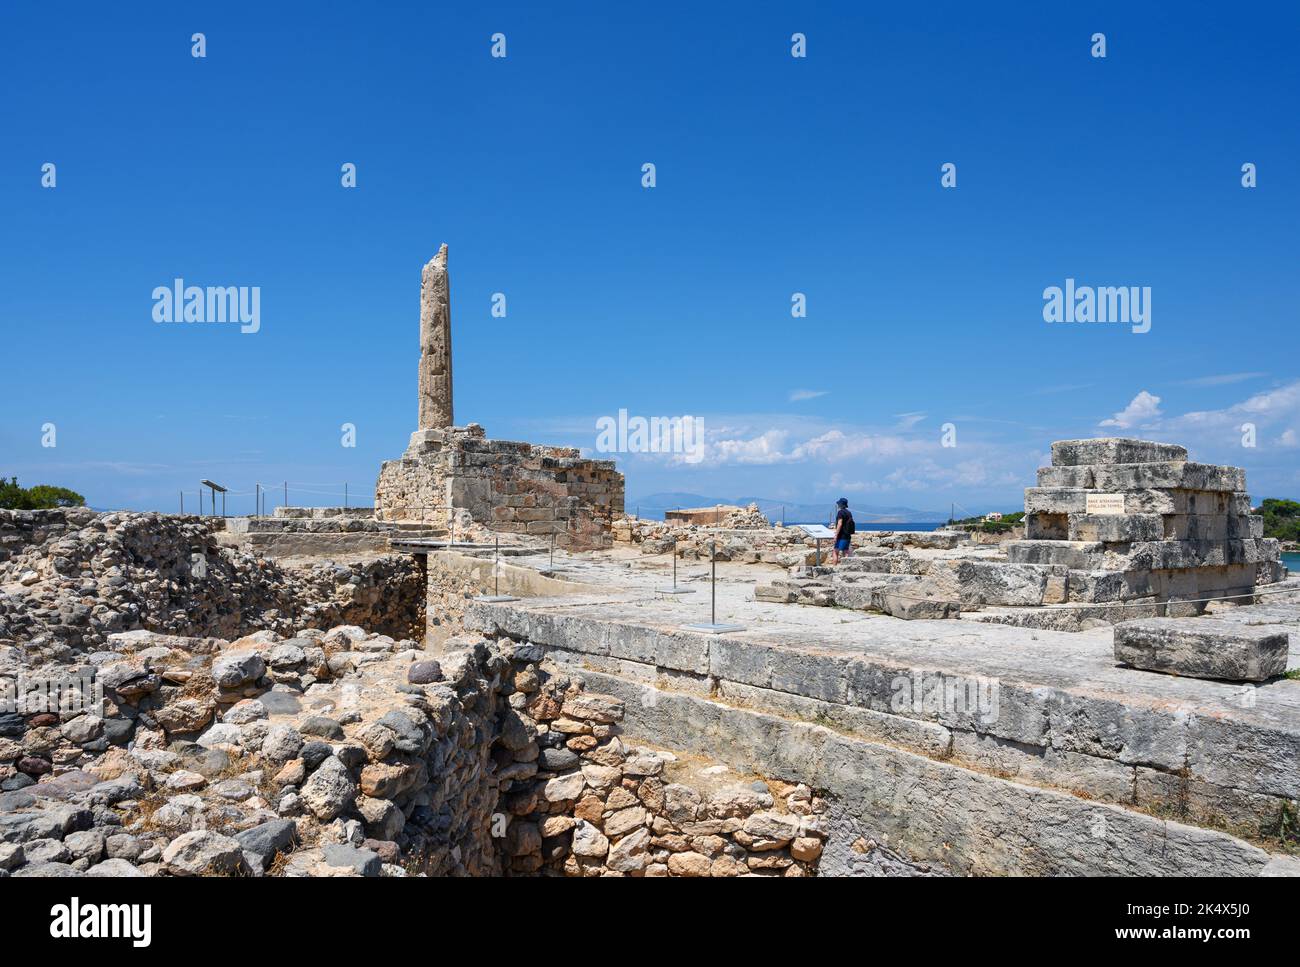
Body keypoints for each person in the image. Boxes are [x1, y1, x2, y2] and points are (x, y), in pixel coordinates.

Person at [831, 497, 854, 564]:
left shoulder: (840, 512)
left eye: (839, 503)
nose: (838, 505)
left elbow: (840, 524)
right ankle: (846, 567)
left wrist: (836, 535)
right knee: (846, 551)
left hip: (841, 535)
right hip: (847, 534)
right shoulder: (849, 513)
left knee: (835, 551)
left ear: (841, 504)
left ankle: (834, 567)